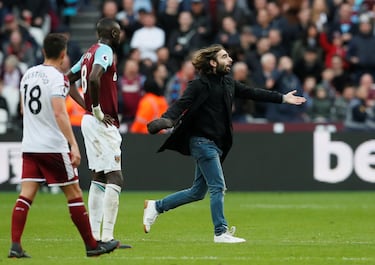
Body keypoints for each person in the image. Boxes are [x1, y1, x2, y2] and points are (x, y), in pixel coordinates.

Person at [143, 44, 306, 243]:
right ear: (213, 63)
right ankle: (220, 232)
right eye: (224, 57)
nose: (230, 60)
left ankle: (156, 206)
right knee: (218, 187)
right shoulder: (198, 85)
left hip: (216, 143)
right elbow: (180, 105)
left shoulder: (228, 82)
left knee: (197, 192)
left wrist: (282, 98)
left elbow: (252, 92)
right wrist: (166, 120)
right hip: (201, 142)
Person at [8, 33, 119, 258]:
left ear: (43, 51)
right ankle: (91, 245)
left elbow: (22, 110)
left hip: (30, 145)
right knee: (74, 193)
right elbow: (59, 112)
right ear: (63, 54)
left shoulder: (28, 74)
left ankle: (15, 245)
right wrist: (73, 145)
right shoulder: (58, 78)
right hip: (52, 147)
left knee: (26, 195)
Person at [66, 18, 129, 248]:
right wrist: (96, 109)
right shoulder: (105, 51)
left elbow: (68, 79)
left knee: (99, 176)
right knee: (115, 176)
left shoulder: (87, 53)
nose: (120, 36)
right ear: (113, 32)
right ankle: (108, 237)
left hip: (89, 121)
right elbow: (93, 77)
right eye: (119, 32)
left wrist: (85, 105)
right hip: (101, 122)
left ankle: (95, 236)